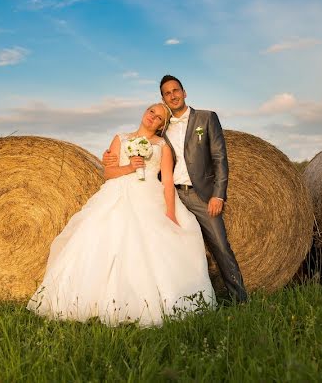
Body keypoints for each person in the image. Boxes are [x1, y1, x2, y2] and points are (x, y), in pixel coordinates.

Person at [27, 103, 216, 327]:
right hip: (117, 192)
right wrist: (129, 167)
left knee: (148, 245)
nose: (152, 117)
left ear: (161, 126)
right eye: (151, 112)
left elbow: (166, 180)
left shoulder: (162, 146)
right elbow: (108, 173)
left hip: (148, 195)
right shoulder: (121, 138)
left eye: (158, 118)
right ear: (145, 112)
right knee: (100, 238)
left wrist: (171, 212)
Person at [104, 75, 248, 304]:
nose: (172, 95)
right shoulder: (163, 127)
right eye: (167, 93)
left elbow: (220, 158)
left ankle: (240, 300)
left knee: (220, 245)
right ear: (162, 98)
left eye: (175, 90)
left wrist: (218, 194)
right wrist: (114, 160)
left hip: (200, 193)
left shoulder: (206, 118)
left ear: (184, 92)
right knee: (171, 245)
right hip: (169, 193)